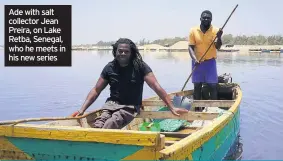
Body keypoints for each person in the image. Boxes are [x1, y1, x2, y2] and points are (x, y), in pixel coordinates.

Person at [74, 38, 188, 129]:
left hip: (129, 107)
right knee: (98, 125)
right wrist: (82, 110)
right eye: (120, 51)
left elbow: (156, 86)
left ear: (131, 53)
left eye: (126, 51)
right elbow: (96, 90)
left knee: (111, 124)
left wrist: (171, 107)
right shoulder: (109, 68)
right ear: (115, 52)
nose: (123, 53)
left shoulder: (140, 67)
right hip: (111, 105)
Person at [188, 10, 223, 110]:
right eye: (204, 17)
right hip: (197, 62)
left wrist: (219, 37)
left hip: (210, 63)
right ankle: (197, 110)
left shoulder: (216, 31)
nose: (206, 19)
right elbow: (190, 47)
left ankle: (214, 110)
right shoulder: (193, 31)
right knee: (197, 86)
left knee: (212, 86)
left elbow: (218, 47)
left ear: (211, 19)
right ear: (200, 18)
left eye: (208, 18)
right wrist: (195, 59)